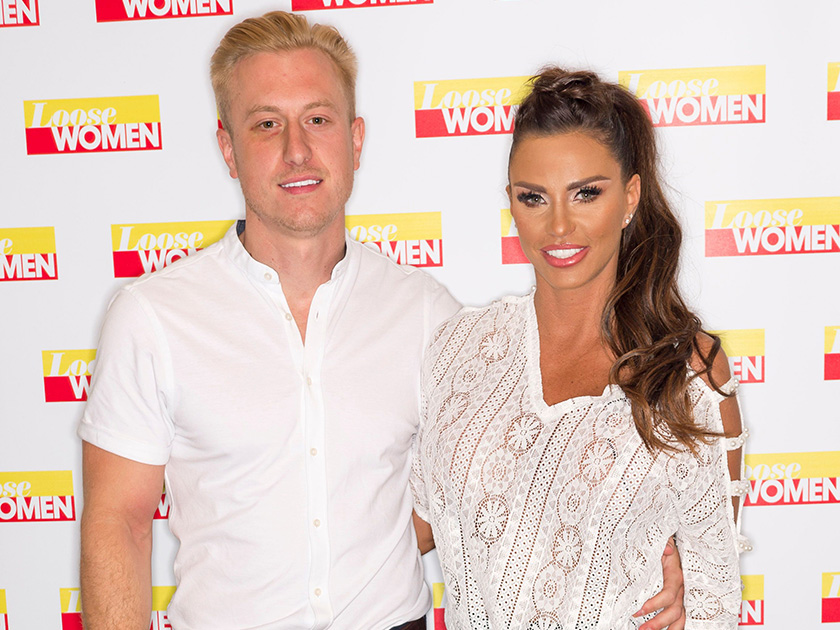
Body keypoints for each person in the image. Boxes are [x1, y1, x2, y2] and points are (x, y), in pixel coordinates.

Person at [78, 13, 686, 630]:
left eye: (318, 119)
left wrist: (647, 564)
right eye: (266, 124)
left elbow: (515, 483)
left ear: (356, 140)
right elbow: (117, 523)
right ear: (228, 149)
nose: (296, 150)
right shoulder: (153, 318)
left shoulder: (428, 315)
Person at [411, 67, 750, 630]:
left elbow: (712, 598)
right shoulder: (461, 348)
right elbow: (413, 526)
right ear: (511, 202)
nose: (559, 226)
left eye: (586, 193)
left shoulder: (689, 373)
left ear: (630, 196)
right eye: (534, 198)